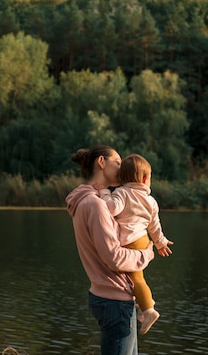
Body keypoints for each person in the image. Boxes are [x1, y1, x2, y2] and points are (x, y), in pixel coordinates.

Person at [66, 145, 156, 355]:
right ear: (101, 162)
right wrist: (147, 254)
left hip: (111, 296)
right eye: (117, 162)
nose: (122, 166)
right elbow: (114, 257)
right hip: (115, 300)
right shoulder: (96, 205)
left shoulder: (89, 201)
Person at [99, 153, 173, 335]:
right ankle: (143, 303)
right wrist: (161, 242)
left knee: (136, 278)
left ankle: (148, 310)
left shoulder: (123, 193)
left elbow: (111, 208)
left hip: (129, 241)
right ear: (145, 179)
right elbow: (154, 225)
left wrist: (104, 192)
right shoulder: (151, 201)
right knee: (136, 277)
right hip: (143, 239)